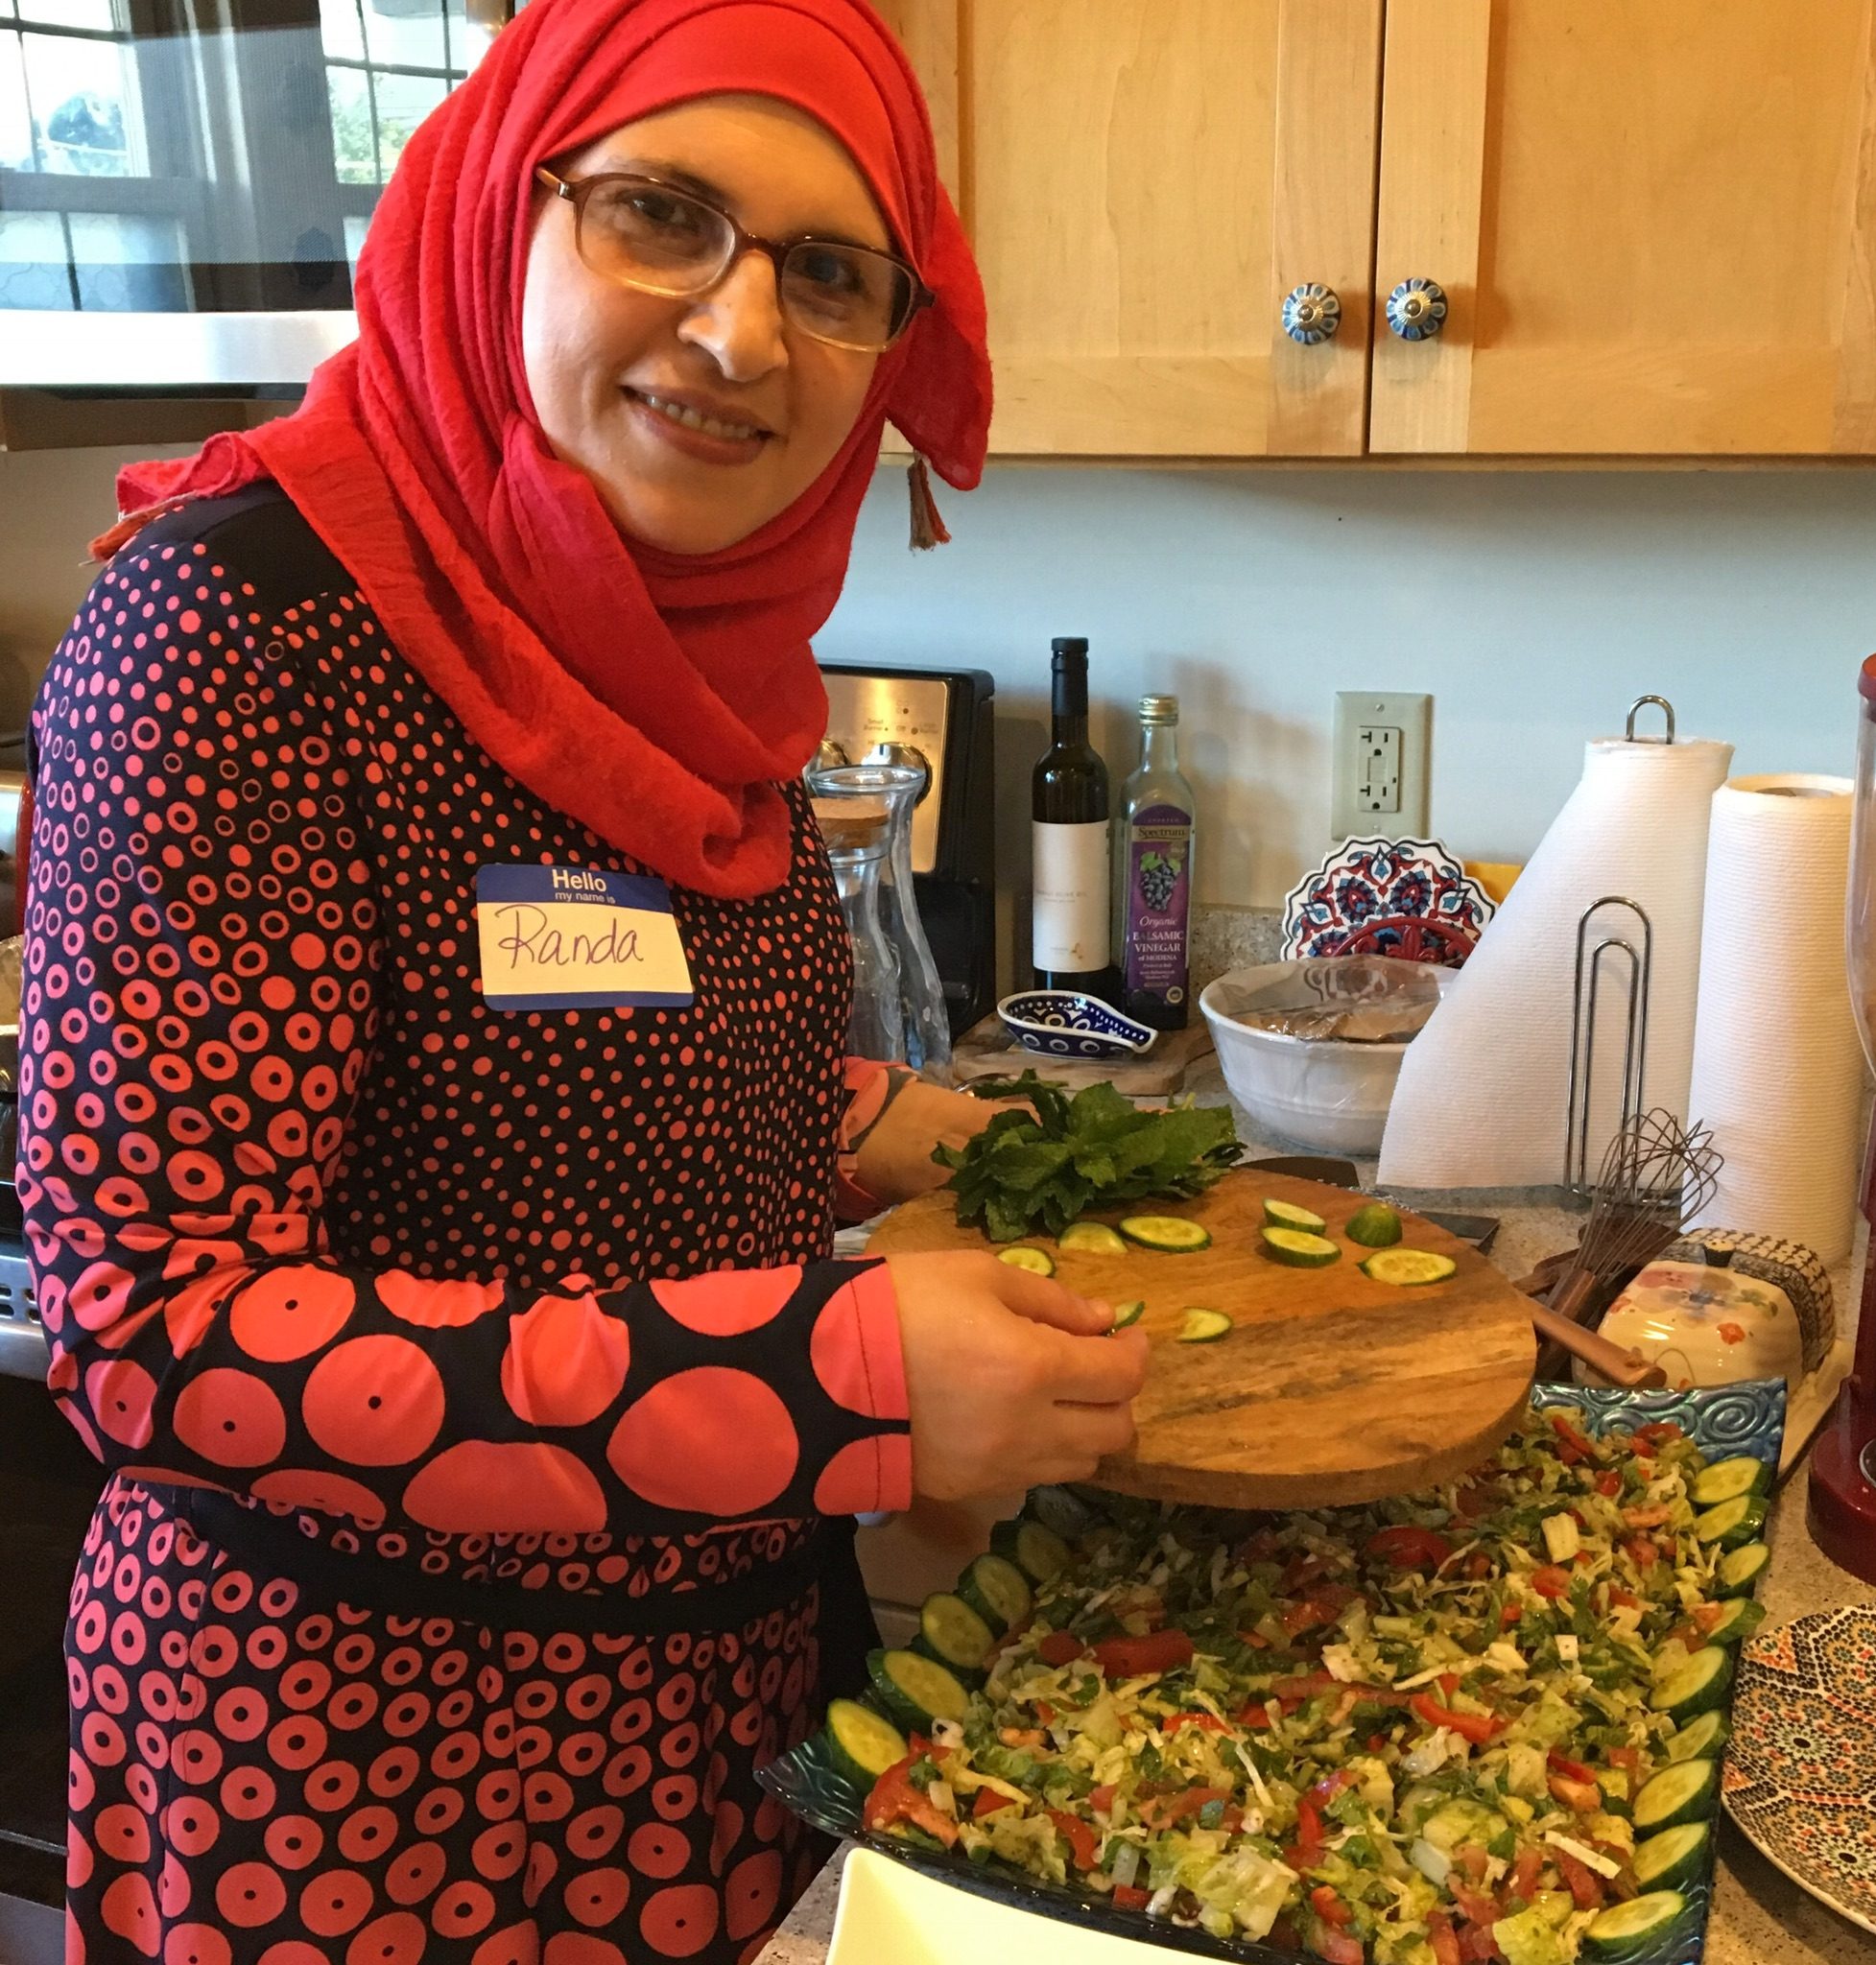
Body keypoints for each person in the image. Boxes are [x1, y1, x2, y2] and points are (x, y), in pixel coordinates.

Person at [17, 2, 1152, 1959]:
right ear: (500, 204)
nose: (740, 333)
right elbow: (163, 1336)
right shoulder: (237, 633)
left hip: (715, 1729)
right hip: (355, 1786)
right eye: (658, 213)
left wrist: (917, 1127)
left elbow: (617, 1073)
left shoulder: (698, 649)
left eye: (829, 270)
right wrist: (832, 1382)